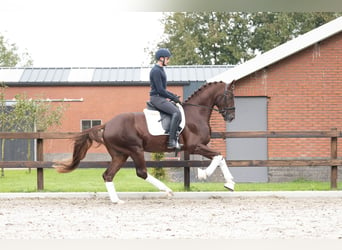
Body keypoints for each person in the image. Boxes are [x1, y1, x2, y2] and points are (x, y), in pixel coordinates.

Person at [149, 48, 182, 150]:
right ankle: (171, 141)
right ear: (161, 58)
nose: (168, 60)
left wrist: (173, 97)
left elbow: (163, 90)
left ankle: (175, 132)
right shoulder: (155, 71)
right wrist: (173, 97)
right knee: (176, 113)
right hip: (157, 98)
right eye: (167, 58)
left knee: (178, 109)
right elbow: (160, 90)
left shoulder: (161, 69)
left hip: (161, 97)